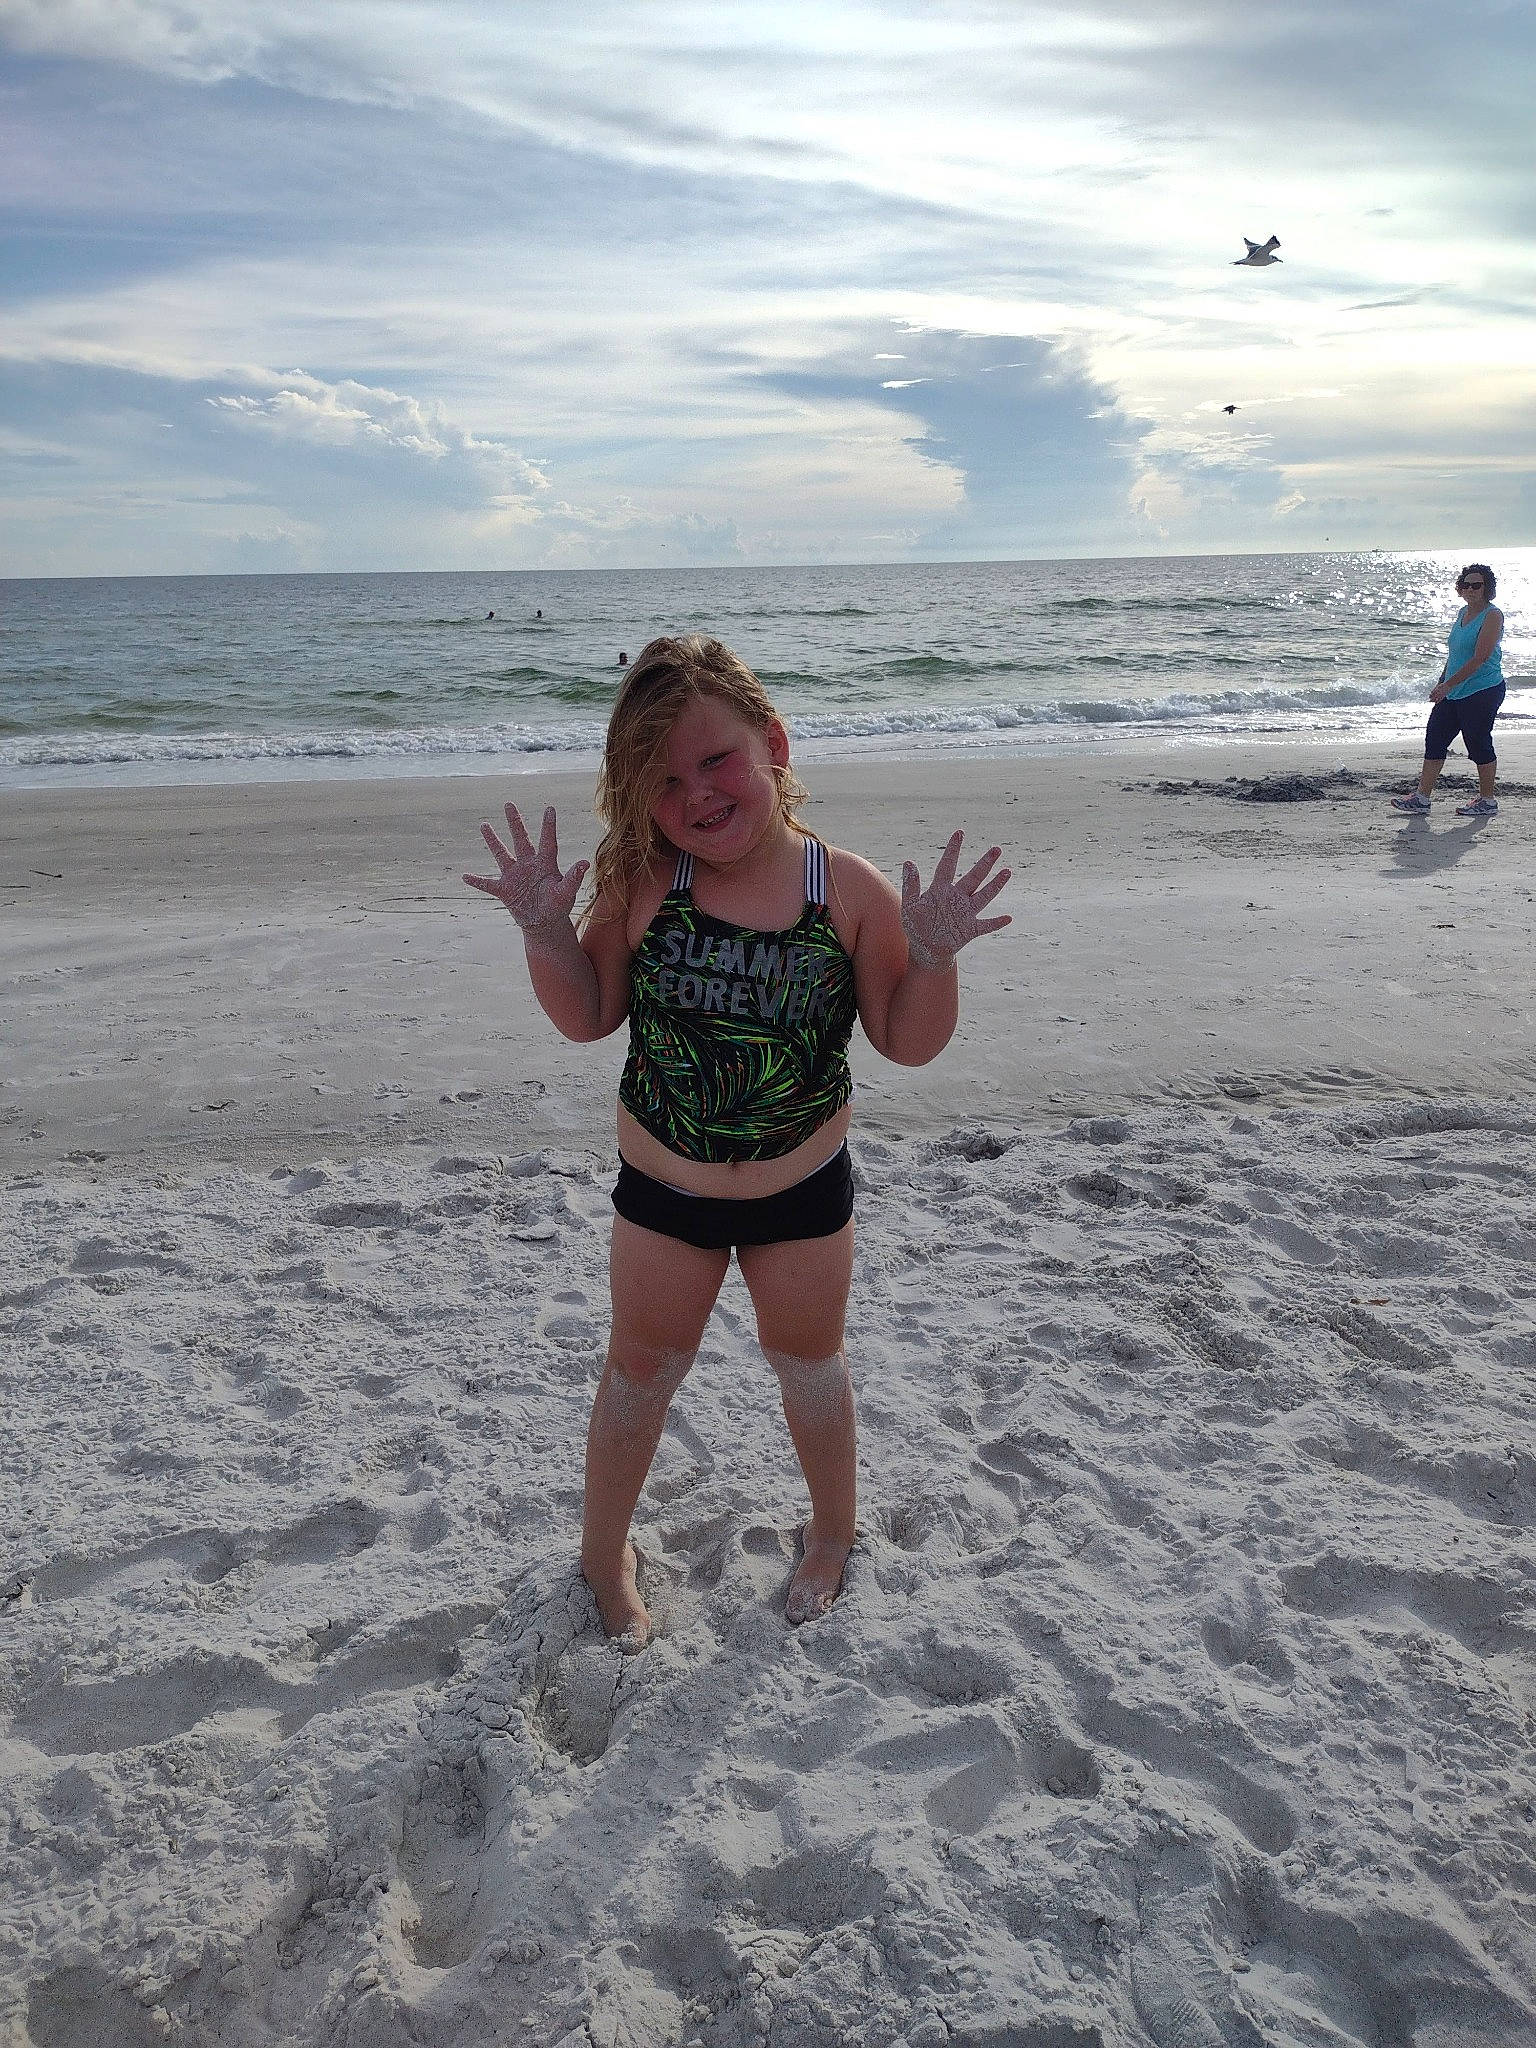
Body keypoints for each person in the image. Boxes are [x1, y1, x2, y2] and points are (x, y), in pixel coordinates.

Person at [463, 635, 1010, 1647]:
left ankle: (833, 1532)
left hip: (802, 1195)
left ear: (773, 742)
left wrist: (931, 958)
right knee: (638, 1371)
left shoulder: (840, 890)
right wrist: (545, 931)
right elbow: (588, 1014)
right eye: (664, 781)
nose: (697, 793)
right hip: (664, 1195)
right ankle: (603, 1553)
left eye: (715, 760)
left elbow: (908, 1040)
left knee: (811, 1365)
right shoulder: (639, 884)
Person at [1391, 564, 1505, 819]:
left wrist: (1448, 685)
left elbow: (1480, 658)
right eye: (1466, 584)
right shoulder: (1463, 612)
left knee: (1477, 742)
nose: (1470, 589)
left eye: (1477, 585)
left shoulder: (1492, 615)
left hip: (1482, 689)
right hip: (1454, 691)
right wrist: (1441, 682)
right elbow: (1455, 655)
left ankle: (1487, 800)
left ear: (1487, 588)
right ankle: (1421, 798)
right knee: (1435, 738)